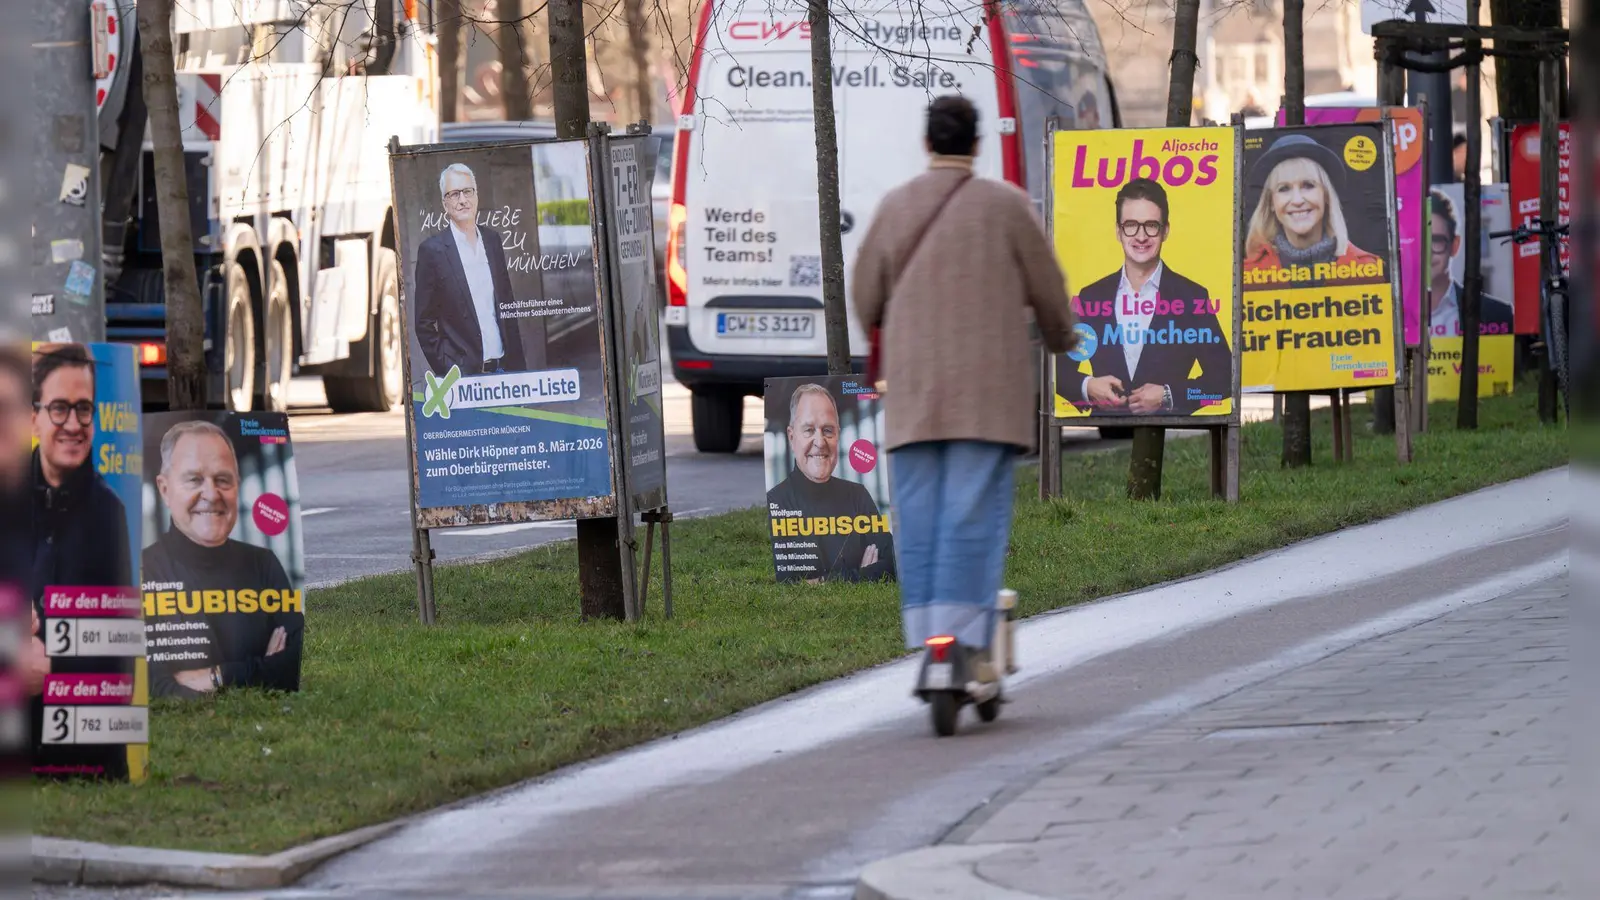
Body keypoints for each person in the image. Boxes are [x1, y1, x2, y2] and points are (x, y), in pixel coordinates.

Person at [851, 95, 1077, 680]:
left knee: (918, 517)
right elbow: (1049, 289)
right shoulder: (1007, 206)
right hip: (988, 399)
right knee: (972, 516)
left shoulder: (895, 207)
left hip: (913, 395)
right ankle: (967, 641)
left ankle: (928, 635)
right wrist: (1060, 336)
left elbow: (865, 297)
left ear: (927, 142)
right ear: (977, 145)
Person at [143, 419, 303, 697]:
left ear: (237, 486)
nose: (211, 494)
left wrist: (220, 676)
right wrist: (263, 671)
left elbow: (294, 665)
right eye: (194, 479)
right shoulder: (141, 572)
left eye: (222, 480)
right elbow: (154, 688)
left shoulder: (262, 564)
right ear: (165, 489)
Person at [1056, 178, 1231, 415]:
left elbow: (1224, 379)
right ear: (1118, 231)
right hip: (1107, 431)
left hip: (1171, 432)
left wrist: (1170, 396)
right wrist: (1087, 386)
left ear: (1165, 230)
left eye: (1151, 225)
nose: (1141, 236)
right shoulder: (1091, 297)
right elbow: (1057, 371)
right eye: (1131, 225)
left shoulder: (1192, 297)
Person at [765, 383, 896, 583]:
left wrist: (823, 582)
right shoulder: (775, 502)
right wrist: (863, 575)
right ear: (792, 437)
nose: (820, 442)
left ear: (838, 435)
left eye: (828, 431)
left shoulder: (857, 495)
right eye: (809, 430)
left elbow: (893, 564)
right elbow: (787, 585)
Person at [412, 162, 528, 377]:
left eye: (467, 191)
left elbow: (507, 308)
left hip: (504, 371)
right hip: (464, 378)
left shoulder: (492, 241)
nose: (463, 200)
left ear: (476, 196)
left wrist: (519, 372)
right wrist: (449, 370)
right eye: (454, 194)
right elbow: (424, 324)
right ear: (444, 203)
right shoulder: (432, 251)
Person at [1242, 134, 1381, 283]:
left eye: (1308, 186)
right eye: (1284, 189)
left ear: (1326, 195)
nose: (1297, 200)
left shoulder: (1367, 269)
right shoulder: (1248, 275)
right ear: (1270, 203)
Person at [1428, 189, 1514, 338]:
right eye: (1421, 241)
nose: (1428, 252)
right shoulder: (1391, 314)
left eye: (1436, 241)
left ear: (1455, 246)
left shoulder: (1498, 314)